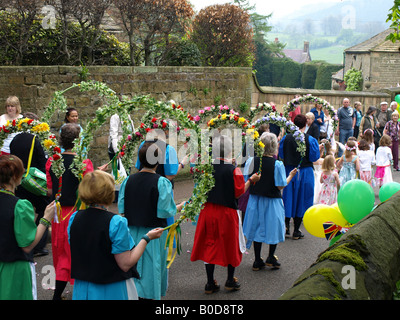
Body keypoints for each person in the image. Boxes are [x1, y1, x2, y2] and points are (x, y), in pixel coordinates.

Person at [68, 170, 164, 300]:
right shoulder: (116, 222)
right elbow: (125, 263)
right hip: (110, 289)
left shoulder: (74, 218)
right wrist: (146, 238)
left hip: (82, 288)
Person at [190, 135, 260, 294]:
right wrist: (251, 180)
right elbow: (238, 193)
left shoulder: (205, 168)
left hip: (208, 211)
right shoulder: (233, 170)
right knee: (231, 245)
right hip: (227, 213)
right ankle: (230, 280)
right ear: (229, 151)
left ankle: (209, 283)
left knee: (210, 244)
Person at [118, 141, 184, 300]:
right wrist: (179, 207)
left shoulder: (128, 181)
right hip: (153, 234)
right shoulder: (162, 182)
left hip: (132, 231)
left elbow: (122, 207)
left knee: (133, 265)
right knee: (151, 269)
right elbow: (165, 211)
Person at [46, 123, 94, 300]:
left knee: (61, 254)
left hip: (58, 213)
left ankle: (58, 294)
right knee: (77, 253)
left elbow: (50, 190)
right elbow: (89, 190)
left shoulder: (52, 161)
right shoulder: (84, 163)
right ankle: (79, 293)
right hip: (77, 212)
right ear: (78, 141)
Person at [0, 154, 55, 300]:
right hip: (13, 270)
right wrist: (46, 219)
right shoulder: (20, 206)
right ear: (15, 177)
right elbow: (27, 244)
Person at [243, 132, 297, 271]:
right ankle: (271, 257)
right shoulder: (277, 164)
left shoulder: (251, 161)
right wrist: (290, 176)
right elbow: (280, 185)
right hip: (272, 201)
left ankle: (257, 259)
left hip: (255, 200)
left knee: (256, 227)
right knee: (273, 228)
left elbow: (246, 179)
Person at [10, 112, 50, 257]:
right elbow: (42, 162)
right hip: (33, 181)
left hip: (19, 180)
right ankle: (38, 244)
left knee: (20, 208)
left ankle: (20, 239)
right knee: (45, 209)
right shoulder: (35, 140)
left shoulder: (15, 139)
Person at [279, 114, 320, 240]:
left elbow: (281, 154)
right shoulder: (311, 140)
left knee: (288, 197)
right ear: (306, 124)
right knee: (302, 199)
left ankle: (286, 227)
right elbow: (314, 158)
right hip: (305, 171)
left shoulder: (285, 138)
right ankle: (296, 230)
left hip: (289, 170)